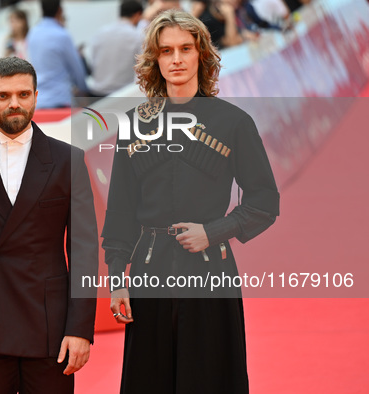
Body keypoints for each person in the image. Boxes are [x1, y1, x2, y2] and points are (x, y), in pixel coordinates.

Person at [102, 9, 279, 393]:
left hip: (210, 270)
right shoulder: (133, 124)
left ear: (202, 54)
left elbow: (265, 200)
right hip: (148, 271)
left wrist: (214, 232)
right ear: (156, 59)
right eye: (166, 51)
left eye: (186, 48)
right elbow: (119, 213)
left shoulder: (233, 123)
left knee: (211, 378)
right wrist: (118, 277)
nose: (177, 59)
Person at [0, 56, 98, 393]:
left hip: (49, 325)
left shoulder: (68, 159)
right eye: (3, 96)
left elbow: (85, 249)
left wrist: (80, 328)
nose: (15, 103)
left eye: (23, 94)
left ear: (35, 95)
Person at [27, 0, 88, 108]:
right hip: (60, 99)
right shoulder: (62, 35)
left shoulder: (32, 33)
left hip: (39, 100)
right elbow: (76, 68)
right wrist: (84, 90)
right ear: (60, 10)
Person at [87, 0, 144, 97]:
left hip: (96, 93)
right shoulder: (137, 36)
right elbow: (143, 67)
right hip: (122, 95)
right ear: (138, 15)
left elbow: (92, 60)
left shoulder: (100, 32)